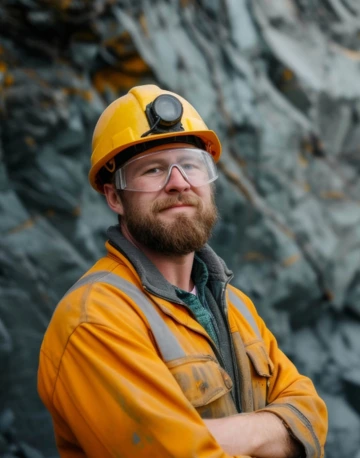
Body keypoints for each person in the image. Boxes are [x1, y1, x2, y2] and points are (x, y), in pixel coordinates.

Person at [38, 84, 328, 458]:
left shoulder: (235, 306)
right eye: (154, 169)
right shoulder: (95, 320)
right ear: (114, 197)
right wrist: (272, 432)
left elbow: (311, 416)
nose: (179, 182)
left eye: (191, 165)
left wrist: (215, 434)